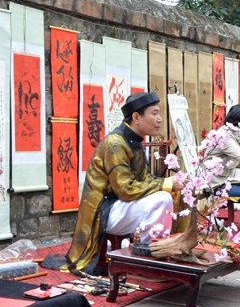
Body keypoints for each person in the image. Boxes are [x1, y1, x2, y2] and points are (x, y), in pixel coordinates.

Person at [65, 91, 180, 273]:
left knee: (172, 195)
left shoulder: (133, 141)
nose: (159, 119)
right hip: (104, 211)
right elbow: (126, 189)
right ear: (136, 117)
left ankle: (164, 250)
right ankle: (147, 258)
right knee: (163, 199)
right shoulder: (115, 143)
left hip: (119, 205)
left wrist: (171, 182)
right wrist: (166, 184)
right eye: (155, 113)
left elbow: (143, 179)